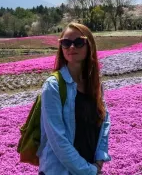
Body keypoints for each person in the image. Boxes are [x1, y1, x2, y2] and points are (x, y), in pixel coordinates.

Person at [37, 22, 111, 175]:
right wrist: (89, 171)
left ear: (89, 45)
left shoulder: (95, 84)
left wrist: (99, 160)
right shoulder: (53, 86)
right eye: (66, 43)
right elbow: (58, 140)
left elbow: (104, 123)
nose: (71, 47)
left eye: (78, 42)